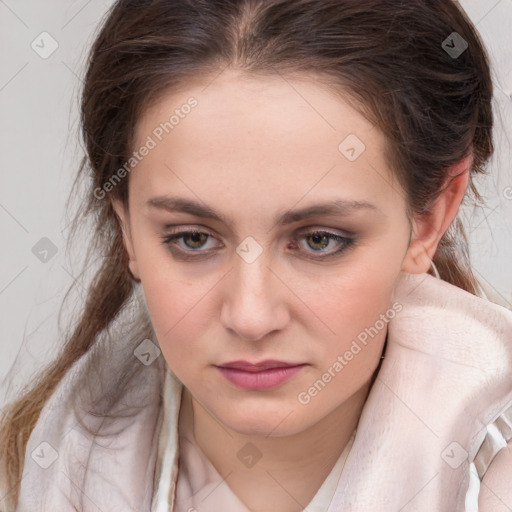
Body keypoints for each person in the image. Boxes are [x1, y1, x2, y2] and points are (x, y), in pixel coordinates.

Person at [1, 0, 512, 511]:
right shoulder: (23, 477)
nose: (250, 316)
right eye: (192, 239)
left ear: (429, 217)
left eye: (319, 240)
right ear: (127, 227)